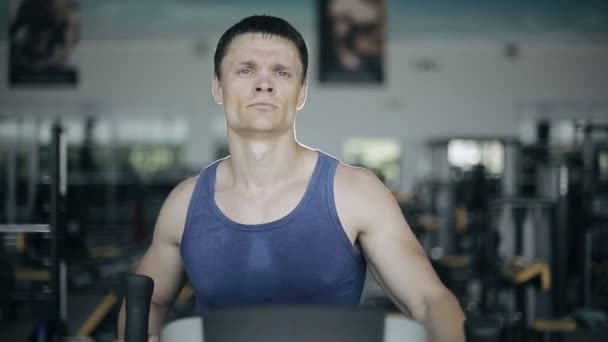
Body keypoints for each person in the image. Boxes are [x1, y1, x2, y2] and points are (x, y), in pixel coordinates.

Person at [116, 15, 465, 342]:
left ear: (301, 93)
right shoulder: (185, 203)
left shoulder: (356, 192)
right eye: (245, 70)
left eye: (281, 72)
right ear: (218, 88)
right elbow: (152, 300)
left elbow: (430, 301)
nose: (264, 84)